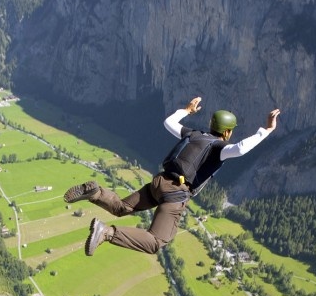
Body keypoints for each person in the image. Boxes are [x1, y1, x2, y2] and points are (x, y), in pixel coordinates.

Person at [63, 96, 279, 256]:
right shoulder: (219, 148)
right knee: (156, 241)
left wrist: (186, 110)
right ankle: (107, 232)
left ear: (212, 125)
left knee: (121, 207)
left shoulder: (193, 134)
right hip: (175, 193)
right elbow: (241, 149)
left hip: (159, 181)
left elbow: (169, 123)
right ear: (227, 132)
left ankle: (96, 192)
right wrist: (267, 131)